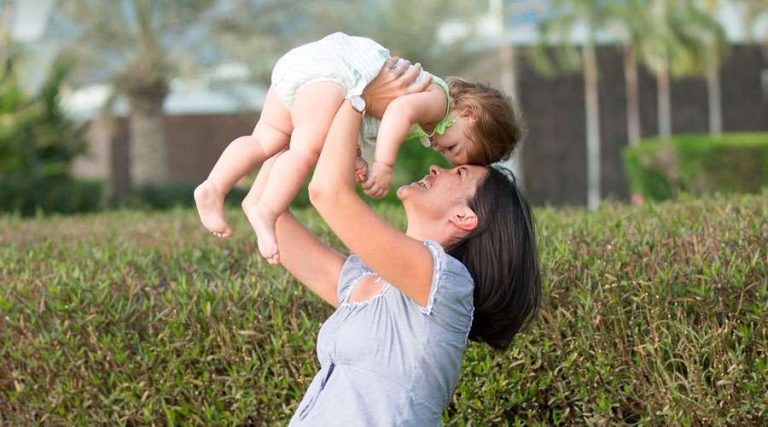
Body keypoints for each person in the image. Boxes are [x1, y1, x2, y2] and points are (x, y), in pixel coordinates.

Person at [249, 61, 541, 425]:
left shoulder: (446, 283)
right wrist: (299, 125)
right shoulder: (366, 282)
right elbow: (268, 216)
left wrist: (356, 94)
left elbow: (328, 193)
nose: (437, 167)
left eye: (459, 172)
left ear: (465, 218)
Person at [194, 32, 522, 265]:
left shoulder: (428, 118)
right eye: (453, 149)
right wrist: (383, 164)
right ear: (469, 114)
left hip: (308, 68)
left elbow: (360, 116)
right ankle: (266, 209)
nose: (441, 153)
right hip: (335, 73)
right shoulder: (438, 101)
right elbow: (395, 111)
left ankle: (214, 186)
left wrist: (354, 155)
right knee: (305, 150)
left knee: (267, 139)